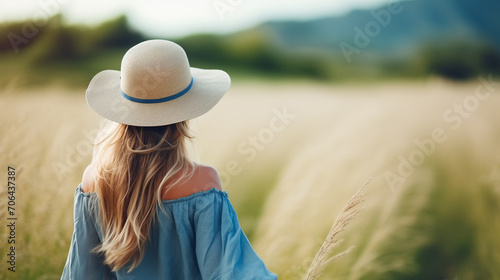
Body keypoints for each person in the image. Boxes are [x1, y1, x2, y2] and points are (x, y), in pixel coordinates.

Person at [61, 40, 277, 280]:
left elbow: (81, 273)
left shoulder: (93, 180)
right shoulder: (202, 183)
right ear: (182, 117)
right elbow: (230, 273)